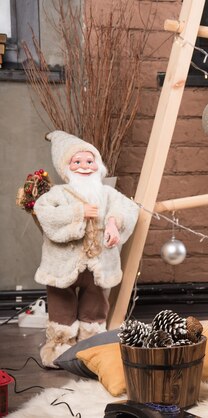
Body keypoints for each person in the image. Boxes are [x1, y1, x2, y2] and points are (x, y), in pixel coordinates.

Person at [34, 130, 139, 367]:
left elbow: (127, 208)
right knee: (61, 304)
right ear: (66, 167)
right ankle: (60, 349)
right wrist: (78, 212)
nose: (84, 166)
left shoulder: (107, 193)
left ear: (98, 164)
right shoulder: (58, 193)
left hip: (97, 265)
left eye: (89, 161)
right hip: (63, 265)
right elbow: (45, 213)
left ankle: (92, 349)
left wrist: (113, 222)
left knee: (96, 306)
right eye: (77, 162)